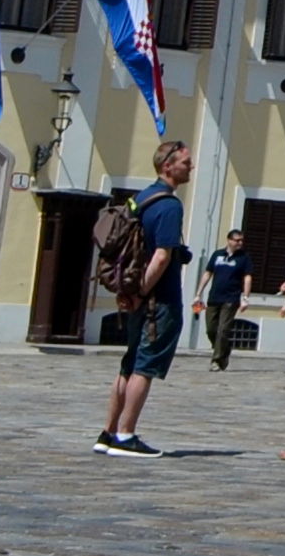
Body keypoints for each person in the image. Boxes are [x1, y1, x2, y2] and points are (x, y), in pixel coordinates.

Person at [95, 139, 195, 456]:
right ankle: (126, 435)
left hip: (137, 296)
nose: (190, 166)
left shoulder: (141, 199)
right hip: (158, 300)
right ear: (167, 166)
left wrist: (131, 293)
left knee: (128, 364)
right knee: (145, 367)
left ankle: (107, 433)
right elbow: (162, 257)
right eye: (185, 161)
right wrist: (142, 292)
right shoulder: (169, 206)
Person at [201, 233, 251, 369]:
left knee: (223, 330)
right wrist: (198, 293)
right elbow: (208, 273)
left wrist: (245, 297)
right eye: (237, 240)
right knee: (211, 329)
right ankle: (225, 350)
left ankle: (216, 360)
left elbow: (247, 277)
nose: (240, 243)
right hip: (214, 297)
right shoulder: (217, 255)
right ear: (229, 240)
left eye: (242, 240)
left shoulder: (244, 257)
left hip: (231, 298)